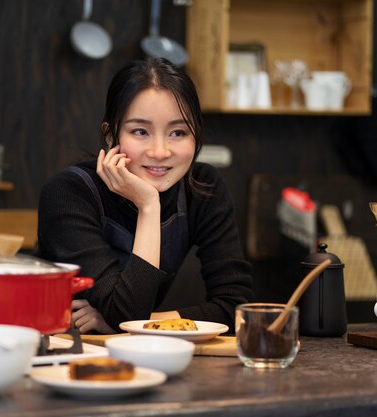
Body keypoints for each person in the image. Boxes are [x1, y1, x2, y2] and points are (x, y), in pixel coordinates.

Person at [37, 57, 253, 334]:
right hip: (56, 352)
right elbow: (126, 314)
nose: (160, 152)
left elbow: (237, 308)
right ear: (110, 135)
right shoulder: (69, 193)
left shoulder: (202, 186)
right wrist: (149, 205)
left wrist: (148, 320)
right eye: (140, 131)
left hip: (139, 353)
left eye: (178, 132)